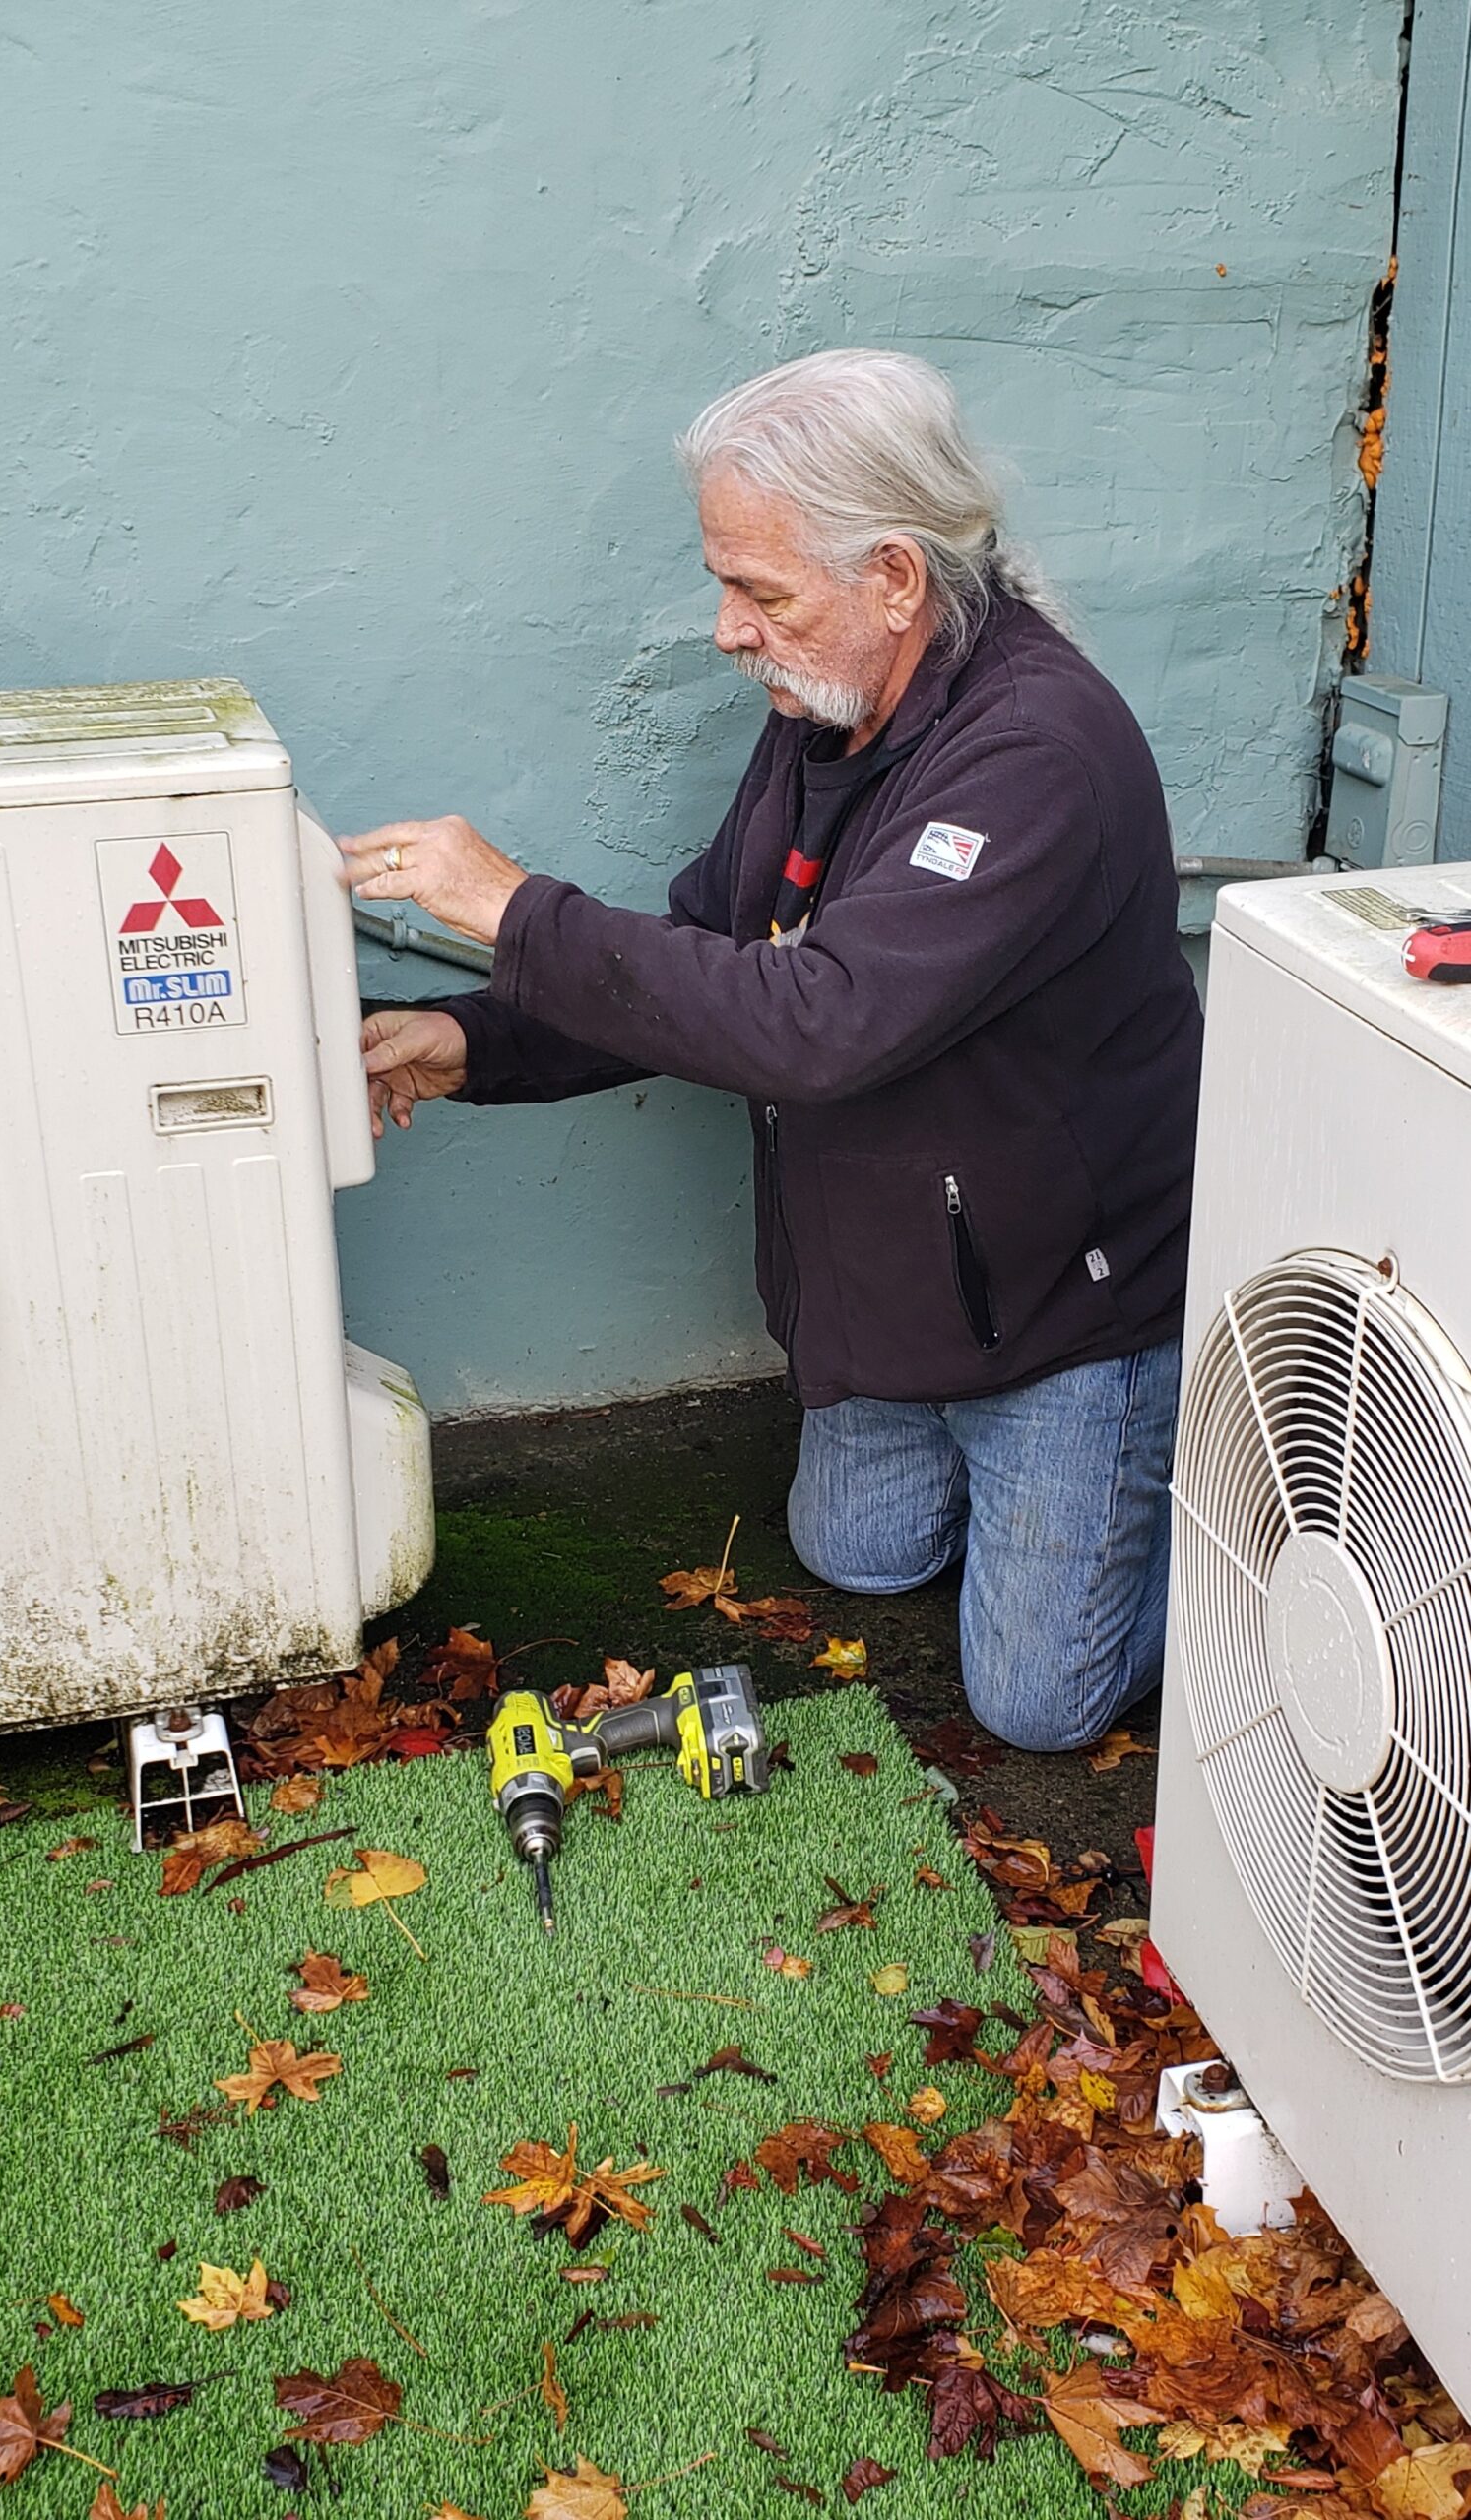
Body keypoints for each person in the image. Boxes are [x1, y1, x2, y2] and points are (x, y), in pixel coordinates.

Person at [339, 348, 1203, 1755]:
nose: (729, 629)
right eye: (724, 581)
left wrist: (507, 906)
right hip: (896, 1283)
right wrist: (471, 1041)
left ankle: (1215, 1528)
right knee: (853, 1557)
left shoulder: (1037, 754)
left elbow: (822, 1020)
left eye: (761, 590)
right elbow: (711, 949)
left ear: (898, 578)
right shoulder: (831, 706)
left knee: (1037, 1705)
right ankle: (1035, 1512)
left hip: (1060, 1311)